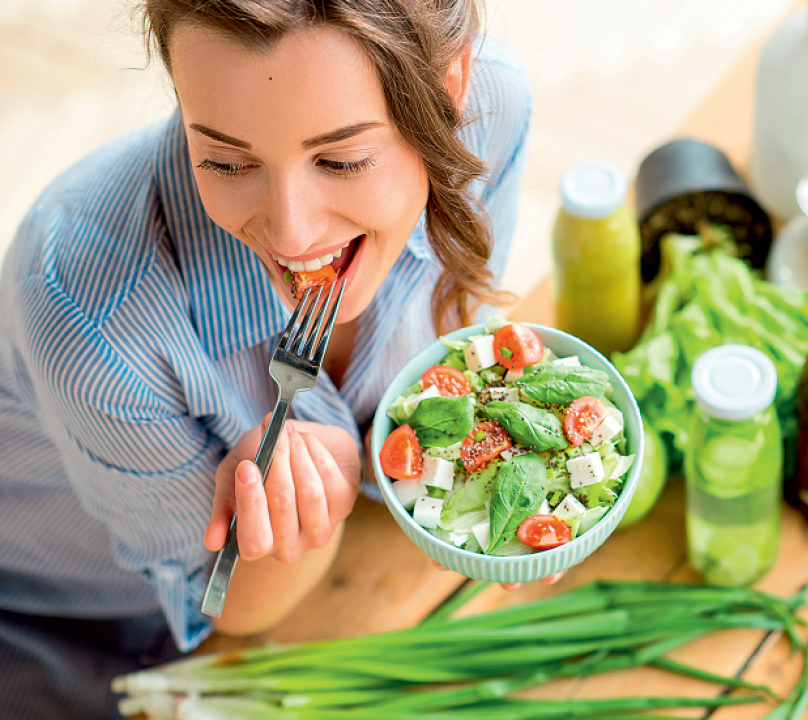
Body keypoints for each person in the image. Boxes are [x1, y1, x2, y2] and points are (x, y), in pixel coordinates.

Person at [0, 0, 531, 717]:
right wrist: (304, 502)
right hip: (69, 624)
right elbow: (230, 609)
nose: (290, 230)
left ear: (451, 88)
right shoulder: (84, 308)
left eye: (342, 159)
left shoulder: (492, 114)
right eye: (224, 159)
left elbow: (456, 348)